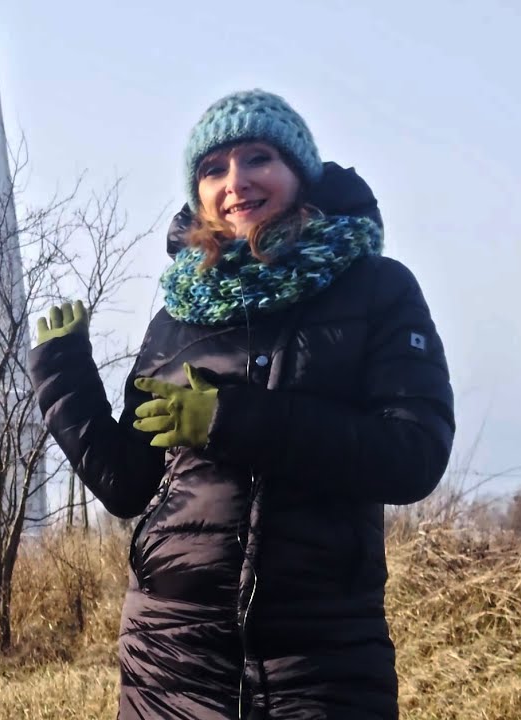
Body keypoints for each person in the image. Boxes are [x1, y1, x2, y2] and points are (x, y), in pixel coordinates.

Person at [29, 90, 455, 719]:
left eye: (258, 158)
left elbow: (412, 455)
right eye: (213, 169)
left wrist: (232, 421)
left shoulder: (377, 289)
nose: (235, 183)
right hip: (169, 661)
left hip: (317, 666)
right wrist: (64, 376)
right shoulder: (175, 318)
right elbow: (127, 484)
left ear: (298, 174)